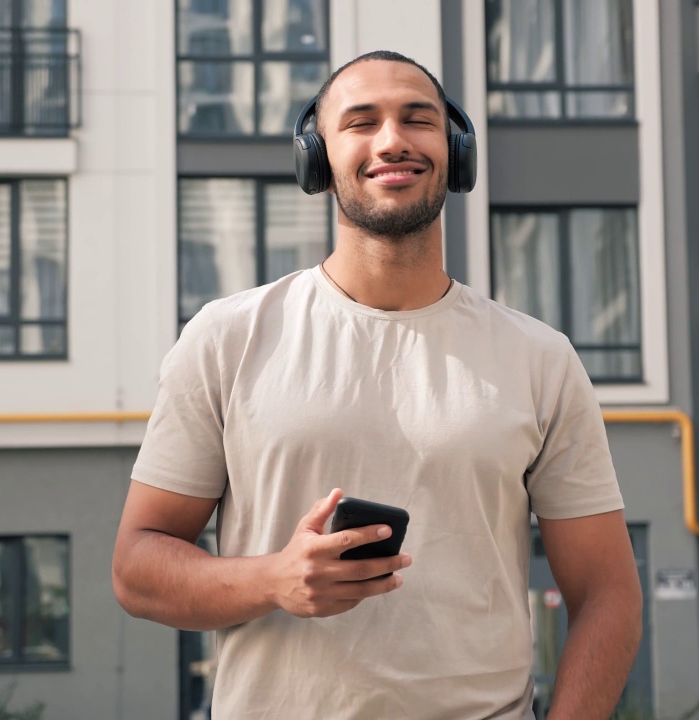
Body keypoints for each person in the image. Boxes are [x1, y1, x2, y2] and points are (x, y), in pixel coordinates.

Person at [112, 50, 643, 720]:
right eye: (361, 122)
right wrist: (273, 579)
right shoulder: (228, 337)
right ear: (317, 156)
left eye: (417, 119)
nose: (392, 139)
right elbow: (137, 567)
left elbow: (607, 595)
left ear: (456, 151)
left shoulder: (539, 357)